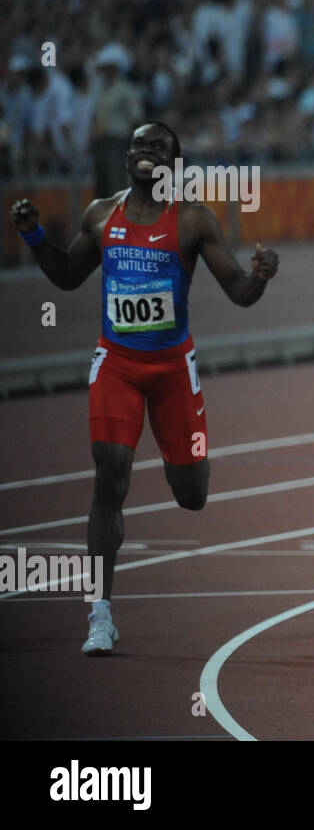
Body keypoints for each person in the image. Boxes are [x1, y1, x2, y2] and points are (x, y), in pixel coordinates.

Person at [8, 122, 279, 654]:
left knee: (192, 495)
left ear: (175, 164)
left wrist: (262, 275)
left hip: (174, 370)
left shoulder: (193, 220)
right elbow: (67, 277)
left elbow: (240, 293)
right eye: (139, 145)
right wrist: (34, 235)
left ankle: (182, 455)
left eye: (159, 147)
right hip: (118, 365)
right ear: (128, 157)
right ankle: (100, 613)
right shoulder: (101, 214)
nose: (146, 152)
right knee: (109, 474)